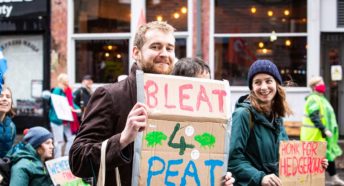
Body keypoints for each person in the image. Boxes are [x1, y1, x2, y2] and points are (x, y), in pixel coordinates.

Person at [69, 21, 176, 186]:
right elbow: (77, 160)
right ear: (136, 52)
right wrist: (122, 140)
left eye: (169, 48)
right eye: (155, 47)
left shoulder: (177, 99)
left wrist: (214, 178)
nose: (164, 53)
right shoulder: (110, 95)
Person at [227, 59, 327, 186]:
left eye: (268, 81)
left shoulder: (276, 116)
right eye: (257, 82)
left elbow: (285, 156)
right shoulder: (243, 114)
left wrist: (313, 163)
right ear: (252, 87)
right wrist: (260, 178)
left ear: (276, 84)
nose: (263, 87)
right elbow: (233, 159)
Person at [172, 57, 235, 186]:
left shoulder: (216, 122)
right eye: (200, 85)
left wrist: (222, 179)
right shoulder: (167, 123)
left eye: (208, 84)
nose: (206, 91)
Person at [301, 76, 344, 185]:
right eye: (321, 82)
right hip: (314, 135)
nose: (323, 85)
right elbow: (314, 116)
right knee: (314, 160)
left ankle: (334, 178)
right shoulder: (313, 99)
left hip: (321, 135)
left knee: (328, 156)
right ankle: (310, 181)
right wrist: (324, 129)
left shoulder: (321, 98)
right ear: (315, 86)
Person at [49, 73, 81, 158]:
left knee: (72, 138)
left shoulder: (67, 91)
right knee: (59, 142)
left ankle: (66, 157)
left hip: (66, 119)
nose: (68, 81)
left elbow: (71, 103)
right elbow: (55, 104)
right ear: (62, 80)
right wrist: (68, 108)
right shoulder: (57, 90)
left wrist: (77, 108)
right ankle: (57, 159)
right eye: (66, 79)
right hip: (57, 120)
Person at [0, 85, 16, 158]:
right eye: (1, 96)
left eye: (8, 97)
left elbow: (10, 152)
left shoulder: (11, 126)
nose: (4, 99)